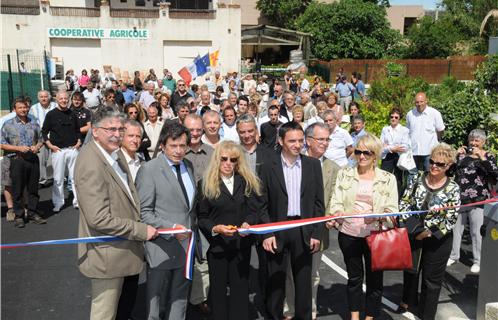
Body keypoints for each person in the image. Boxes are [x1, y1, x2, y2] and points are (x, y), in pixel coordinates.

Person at [75, 108, 158, 320]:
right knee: (104, 314)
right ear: (94, 131)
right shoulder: (90, 163)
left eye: (121, 129)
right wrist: (140, 230)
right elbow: (98, 218)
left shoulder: (113, 154)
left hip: (123, 252)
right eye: (110, 129)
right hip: (108, 256)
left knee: (122, 311)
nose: (117, 134)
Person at [326, 133, 398, 320]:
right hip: (349, 234)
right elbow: (336, 201)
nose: (362, 156)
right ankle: (355, 316)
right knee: (354, 279)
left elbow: (393, 209)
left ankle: (371, 316)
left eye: (367, 152)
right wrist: (338, 213)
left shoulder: (388, 179)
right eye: (358, 152)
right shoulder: (344, 174)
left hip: (376, 235)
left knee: (375, 281)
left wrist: (379, 217)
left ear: (375, 155)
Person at [259, 121, 324, 320]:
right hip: (278, 230)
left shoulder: (312, 165)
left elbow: (319, 204)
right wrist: (268, 233)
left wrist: (316, 233)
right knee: (275, 281)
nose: (297, 145)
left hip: (303, 231)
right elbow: (261, 204)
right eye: (292, 141)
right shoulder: (268, 167)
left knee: (303, 283)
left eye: (300, 140)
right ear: (280, 141)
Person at [136, 122, 196, 320]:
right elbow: (144, 212)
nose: (179, 151)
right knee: (155, 303)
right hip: (161, 247)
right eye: (173, 146)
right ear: (162, 145)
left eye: (183, 146)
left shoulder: (188, 166)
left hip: (186, 246)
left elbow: (188, 208)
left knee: (179, 299)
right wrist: (171, 228)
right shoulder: (149, 170)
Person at [197, 140, 262, 320]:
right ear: (217, 159)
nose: (228, 163)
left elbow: (253, 210)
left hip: (241, 245)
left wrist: (248, 223)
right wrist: (215, 228)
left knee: (241, 290)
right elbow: (202, 217)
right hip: (217, 246)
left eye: (233, 159)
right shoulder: (205, 183)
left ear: (238, 161)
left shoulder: (247, 181)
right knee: (217, 292)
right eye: (224, 159)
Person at [284, 122, 340, 319]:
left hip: (318, 231)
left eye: (327, 139)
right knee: (291, 272)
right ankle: (290, 309)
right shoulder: (295, 160)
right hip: (293, 227)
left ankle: (311, 311)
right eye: (321, 139)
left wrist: (332, 216)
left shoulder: (333, 167)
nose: (325, 143)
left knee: (313, 274)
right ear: (308, 141)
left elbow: (335, 196)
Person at [398, 143, 460, 320]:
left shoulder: (453, 188)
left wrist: (429, 232)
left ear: (448, 166)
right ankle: (408, 300)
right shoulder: (417, 178)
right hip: (413, 233)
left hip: (438, 240)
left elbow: (451, 218)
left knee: (431, 281)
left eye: (440, 164)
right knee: (410, 270)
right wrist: (412, 228)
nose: (434, 166)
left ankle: (427, 314)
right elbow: (404, 203)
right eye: (432, 162)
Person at [448, 129, 498, 273]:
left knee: (476, 232)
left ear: (483, 142)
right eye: (472, 140)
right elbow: (450, 172)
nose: (473, 143)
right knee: (456, 229)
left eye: (477, 140)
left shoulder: (488, 156)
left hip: (478, 199)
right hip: (460, 198)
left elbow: (495, 173)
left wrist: (482, 159)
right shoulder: (462, 155)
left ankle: (478, 260)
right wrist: (455, 156)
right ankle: (454, 255)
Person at [183, 113, 213, 315]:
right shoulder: (175, 152)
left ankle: (199, 299)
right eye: (190, 130)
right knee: (181, 260)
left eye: (197, 129)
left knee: (203, 259)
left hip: (205, 214)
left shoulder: (212, 153)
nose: (194, 133)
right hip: (181, 215)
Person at [0, 98, 47, 228]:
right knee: (18, 189)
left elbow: (41, 139)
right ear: (14, 109)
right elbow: (2, 144)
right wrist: (18, 148)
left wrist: (37, 146)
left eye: (25, 107)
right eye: (20, 107)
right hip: (17, 160)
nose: (23, 110)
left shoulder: (34, 123)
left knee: (33, 188)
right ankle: (19, 215)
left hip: (32, 159)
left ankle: (32, 212)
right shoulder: (8, 125)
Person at [42, 91, 81, 211]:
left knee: (75, 177)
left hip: (72, 150)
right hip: (58, 151)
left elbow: (77, 130)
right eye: (61, 99)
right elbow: (43, 132)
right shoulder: (51, 115)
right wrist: (50, 145)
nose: (64, 101)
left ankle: (77, 201)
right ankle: (58, 202)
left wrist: (79, 142)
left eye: (66, 98)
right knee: (58, 179)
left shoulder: (73, 114)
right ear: (56, 100)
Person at [406, 92, 445, 172]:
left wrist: (437, 141)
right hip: (414, 152)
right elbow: (408, 132)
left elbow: (440, 130)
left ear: (426, 101)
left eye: (421, 101)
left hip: (429, 152)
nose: (419, 104)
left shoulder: (434, 113)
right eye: (417, 102)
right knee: (413, 176)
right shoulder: (410, 114)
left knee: (429, 175)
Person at [380, 108, 410, 196]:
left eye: (396, 117)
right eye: (392, 117)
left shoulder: (404, 130)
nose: (393, 119)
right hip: (387, 157)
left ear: (399, 119)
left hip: (399, 157)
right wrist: (393, 148)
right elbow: (381, 146)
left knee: (398, 179)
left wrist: (388, 146)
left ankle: (397, 199)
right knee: (384, 178)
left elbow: (405, 146)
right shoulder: (385, 129)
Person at [29, 90, 57, 186]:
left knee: (53, 158)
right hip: (40, 138)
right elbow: (32, 123)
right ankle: (42, 179)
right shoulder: (33, 108)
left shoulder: (55, 106)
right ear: (38, 98)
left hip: (54, 136)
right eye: (41, 97)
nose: (44, 98)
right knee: (40, 159)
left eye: (45, 96)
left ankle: (52, 177)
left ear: (49, 97)